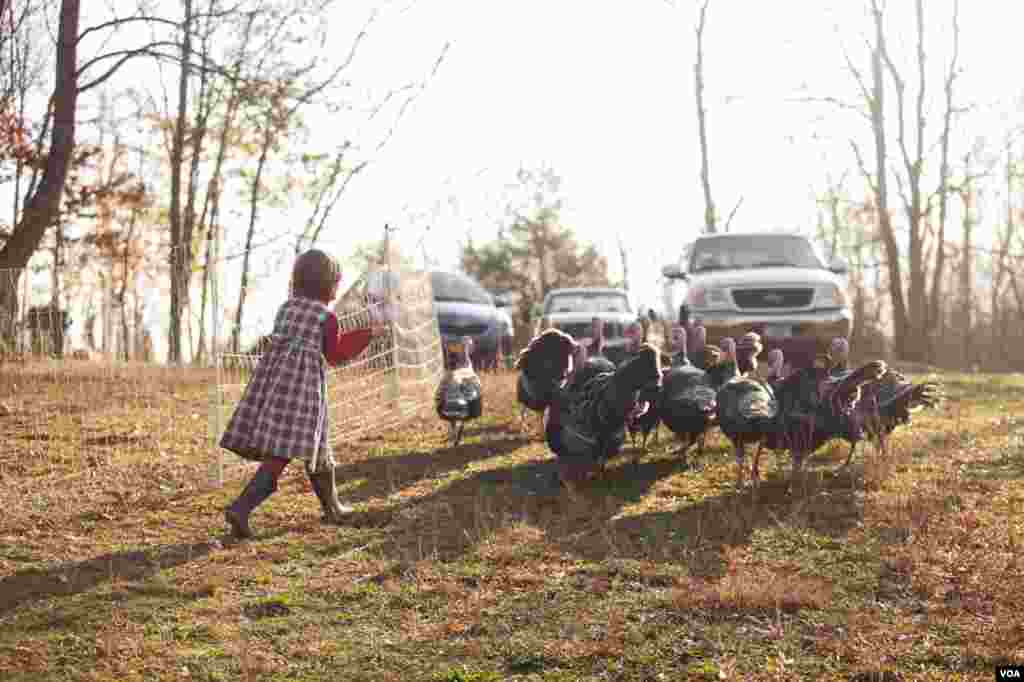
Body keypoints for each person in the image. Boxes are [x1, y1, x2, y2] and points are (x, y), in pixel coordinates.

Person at [220, 249, 384, 539]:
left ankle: (333, 508)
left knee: (319, 447)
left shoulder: (286, 308)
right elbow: (336, 355)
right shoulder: (326, 318)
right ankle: (242, 507)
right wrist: (367, 334)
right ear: (326, 284)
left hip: (273, 387)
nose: (337, 290)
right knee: (281, 454)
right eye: (336, 283)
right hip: (303, 395)